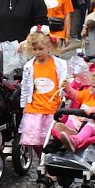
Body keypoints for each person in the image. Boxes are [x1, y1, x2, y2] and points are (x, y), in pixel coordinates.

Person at [18, 27, 67, 158]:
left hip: (52, 109)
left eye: (41, 49)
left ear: (49, 46)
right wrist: (24, 106)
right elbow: (26, 87)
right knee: (33, 140)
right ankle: (42, 159)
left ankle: (50, 163)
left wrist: (63, 103)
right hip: (34, 108)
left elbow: (64, 85)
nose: (37, 52)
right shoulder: (30, 66)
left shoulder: (59, 65)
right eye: (34, 49)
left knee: (49, 139)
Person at [54, 67, 95, 153]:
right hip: (81, 120)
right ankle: (69, 131)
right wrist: (67, 88)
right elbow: (76, 95)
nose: (90, 89)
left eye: (94, 87)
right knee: (72, 115)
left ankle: (76, 141)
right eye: (90, 86)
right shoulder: (89, 93)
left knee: (93, 123)